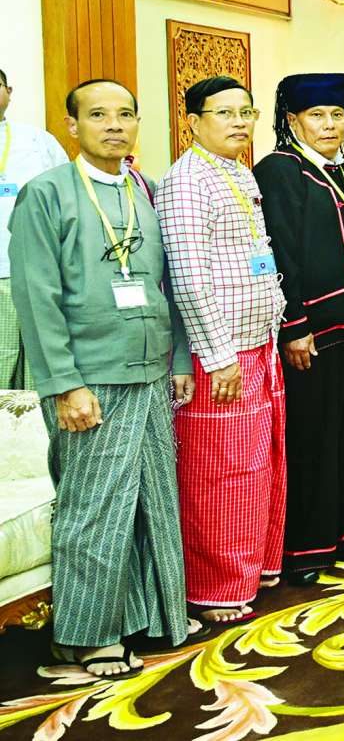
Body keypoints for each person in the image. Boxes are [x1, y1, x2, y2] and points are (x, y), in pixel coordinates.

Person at [10, 79, 194, 679]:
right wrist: (65, 384)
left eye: (125, 114)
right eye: (97, 115)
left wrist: (179, 361)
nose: (114, 125)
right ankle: (85, 637)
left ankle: (152, 616)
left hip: (150, 369)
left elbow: (169, 284)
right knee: (94, 509)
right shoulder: (46, 193)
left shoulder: (144, 189)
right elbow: (36, 298)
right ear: (72, 126)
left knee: (153, 500)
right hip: (89, 376)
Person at [159, 76, 287, 624]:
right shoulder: (186, 182)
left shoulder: (237, 172)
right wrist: (217, 356)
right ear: (193, 121)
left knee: (257, 465)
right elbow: (189, 280)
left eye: (246, 112)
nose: (239, 122)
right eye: (225, 112)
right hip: (220, 354)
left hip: (258, 344)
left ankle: (251, 566)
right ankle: (213, 585)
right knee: (218, 472)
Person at [252, 74, 344, 585]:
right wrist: (294, 326)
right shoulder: (280, 170)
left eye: (337, 115)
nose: (329, 125)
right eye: (316, 116)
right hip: (312, 333)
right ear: (292, 121)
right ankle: (307, 548)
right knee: (312, 439)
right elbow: (281, 251)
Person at [0, 67, 68, 389]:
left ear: (9, 92)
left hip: (37, 272)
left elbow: (67, 198)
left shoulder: (38, 140)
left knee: (38, 367)